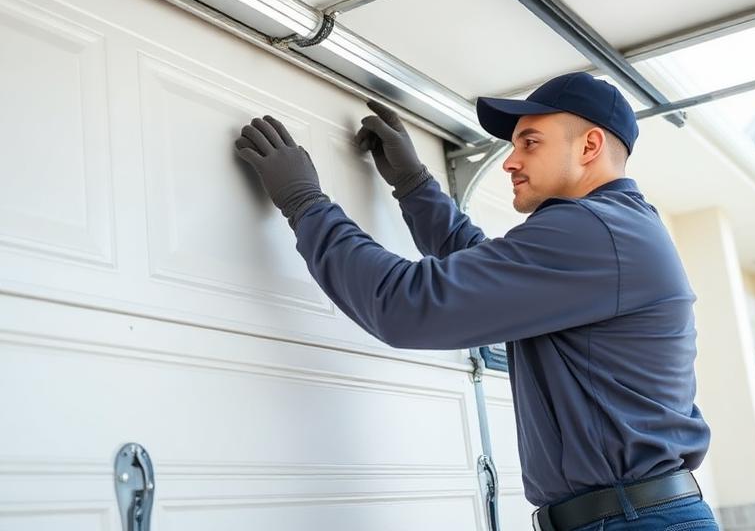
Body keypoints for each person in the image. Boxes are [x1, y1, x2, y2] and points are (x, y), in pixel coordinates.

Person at [234, 71, 717, 530]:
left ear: (589, 146)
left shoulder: (593, 230)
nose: (511, 160)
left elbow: (406, 307)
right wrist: (414, 186)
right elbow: (486, 269)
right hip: (632, 516)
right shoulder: (614, 230)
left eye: (531, 142)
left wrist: (305, 204)